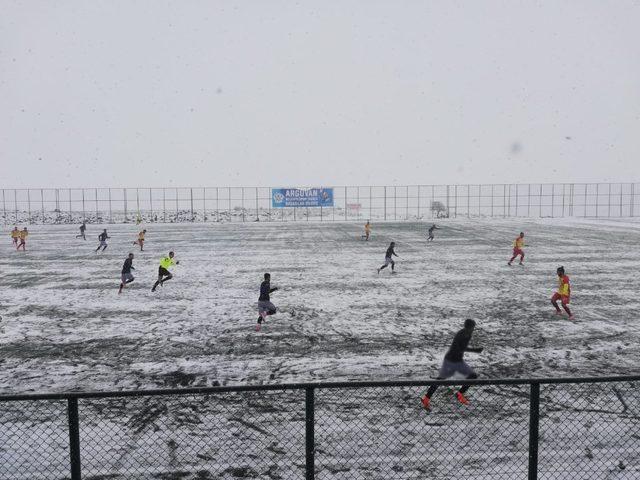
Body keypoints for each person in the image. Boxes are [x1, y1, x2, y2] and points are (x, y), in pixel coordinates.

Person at [421, 319, 484, 412]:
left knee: (472, 376)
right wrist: (475, 350)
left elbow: (461, 348)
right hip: (450, 361)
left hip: (458, 361)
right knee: (440, 380)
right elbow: (458, 348)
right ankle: (426, 398)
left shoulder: (468, 334)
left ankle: (459, 394)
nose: (473, 330)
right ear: (468, 327)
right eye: (472, 328)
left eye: (473, 328)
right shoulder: (461, 334)